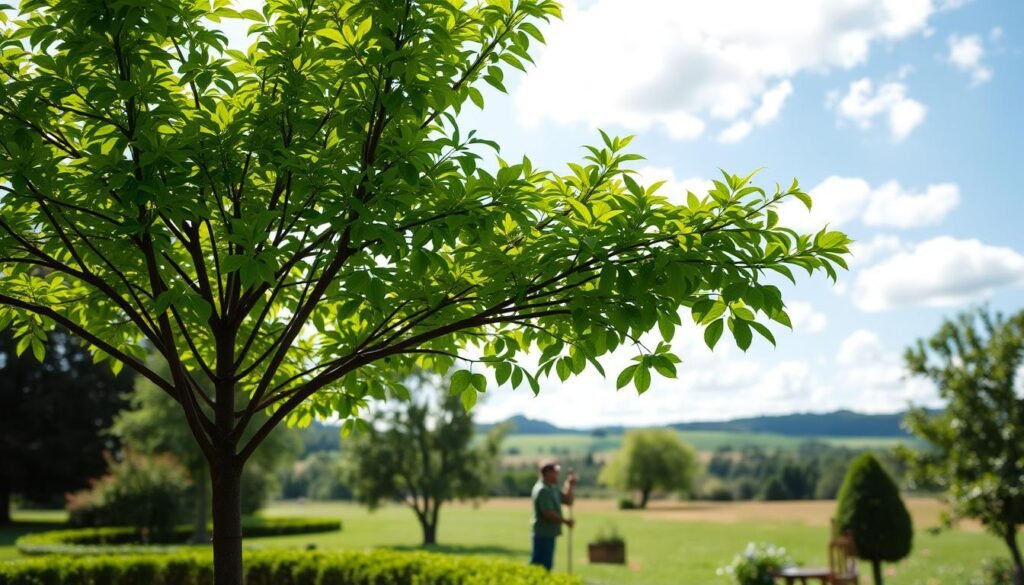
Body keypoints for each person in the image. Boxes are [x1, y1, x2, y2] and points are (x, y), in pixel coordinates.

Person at [530, 459, 576, 571]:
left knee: (546, 565)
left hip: (549, 533)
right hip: (543, 533)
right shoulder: (542, 490)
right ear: (548, 473)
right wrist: (565, 521)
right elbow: (548, 513)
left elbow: (568, 501)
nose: (557, 475)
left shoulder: (552, 488)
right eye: (555, 472)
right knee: (540, 565)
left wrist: (569, 485)